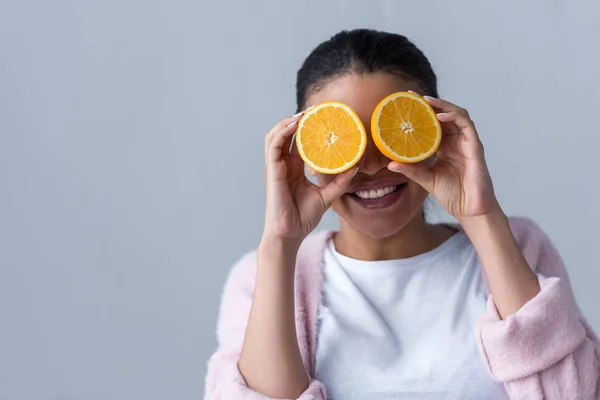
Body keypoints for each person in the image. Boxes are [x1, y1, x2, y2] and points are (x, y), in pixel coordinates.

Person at [204, 29, 600, 400]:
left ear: (434, 133)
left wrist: (481, 217)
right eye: (342, 139)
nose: (371, 165)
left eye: (391, 132)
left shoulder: (521, 246)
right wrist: (280, 243)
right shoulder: (260, 277)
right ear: (304, 148)